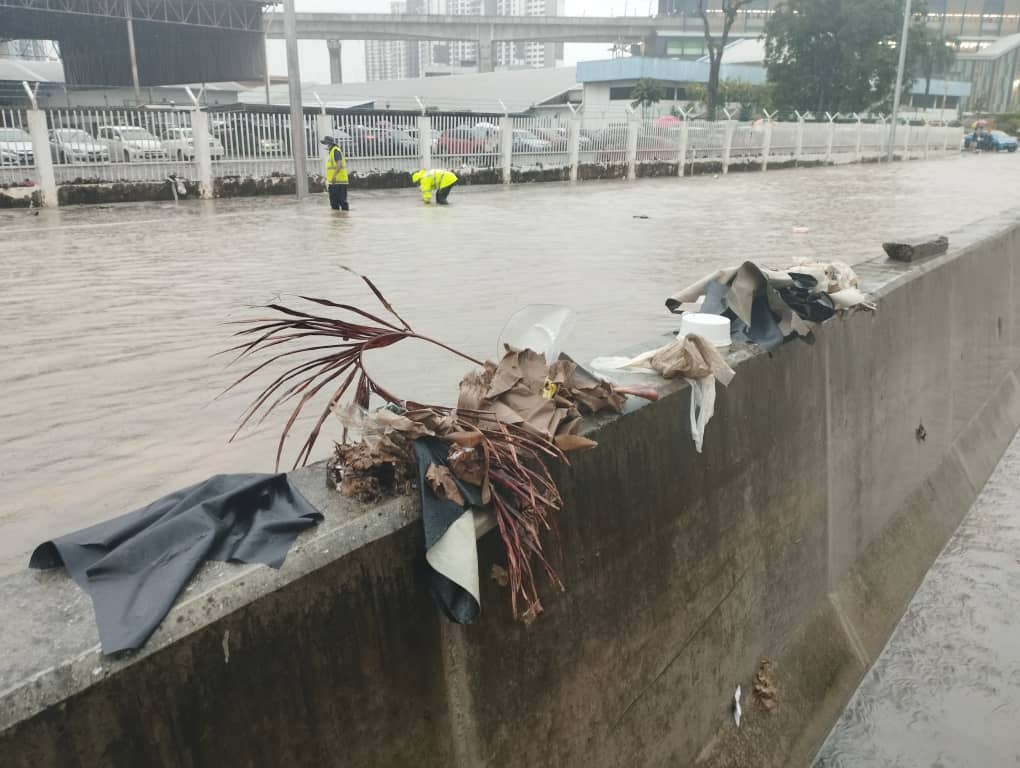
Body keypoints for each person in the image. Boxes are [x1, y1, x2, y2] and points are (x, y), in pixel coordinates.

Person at [320, 135, 349, 211]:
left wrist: (334, 176)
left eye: (325, 144)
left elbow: (339, 164)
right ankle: (338, 219)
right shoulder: (331, 152)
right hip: (334, 182)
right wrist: (326, 178)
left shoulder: (335, 151)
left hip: (339, 182)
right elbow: (330, 168)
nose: (325, 146)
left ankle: (344, 218)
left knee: (342, 202)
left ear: (329, 144)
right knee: (334, 203)